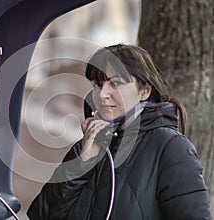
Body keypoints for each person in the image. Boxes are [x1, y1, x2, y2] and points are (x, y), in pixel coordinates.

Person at [27, 44, 212, 220]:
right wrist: (82, 163)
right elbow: (40, 215)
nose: (102, 94)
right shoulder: (89, 144)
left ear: (144, 92)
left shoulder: (169, 146)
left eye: (115, 83)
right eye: (97, 84)